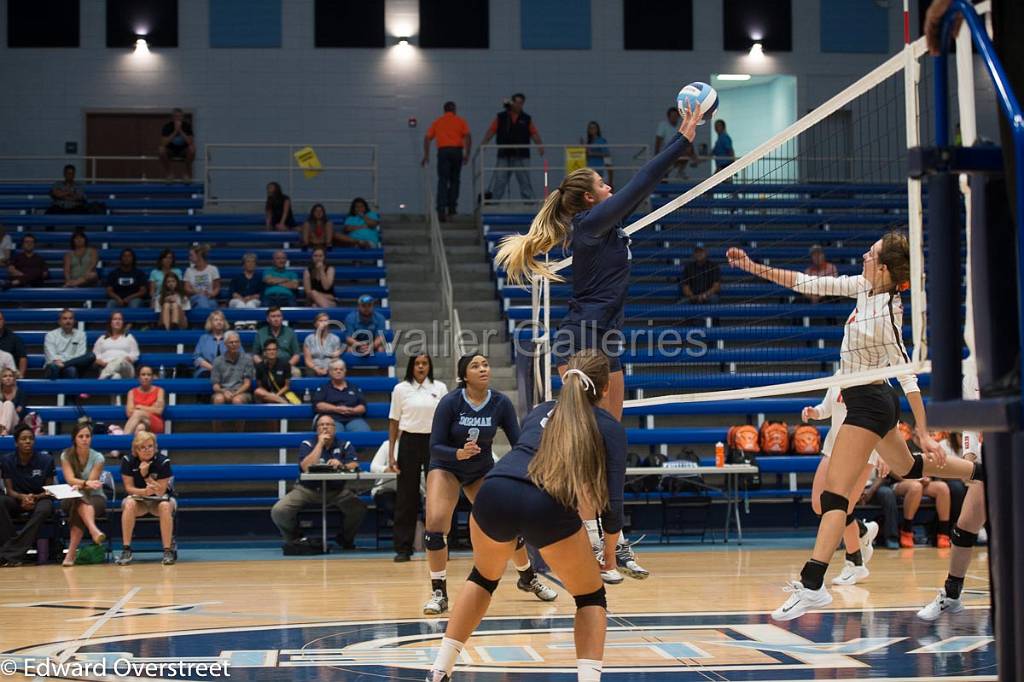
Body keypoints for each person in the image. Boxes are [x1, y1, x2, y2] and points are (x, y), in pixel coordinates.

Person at [726, 235, 984, 621]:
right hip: (866, 402)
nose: (864, 254)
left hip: (868, 404)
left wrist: (925, 431)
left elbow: (907, 375)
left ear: (883, 267)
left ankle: (813, 585)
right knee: (910, 468)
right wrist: (752, 267)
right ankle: (983, 474)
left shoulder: (887, 310)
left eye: (872, 253)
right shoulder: (863, 288)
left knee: (834, 497)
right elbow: (805, 283)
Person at [424, 351, 622, 682]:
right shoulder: (608, 426)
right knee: (590, 596)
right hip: (544, 501)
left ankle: (439, 670)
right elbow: (613, 502)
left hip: (494, 490)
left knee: (483, 578)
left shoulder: (541, 410)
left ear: (566, 380)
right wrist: (611, 555)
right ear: (604, 389)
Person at [495, 102, 699, 421]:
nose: (610, 187)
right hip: (581, 336)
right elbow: (642, 180)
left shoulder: (608, 225)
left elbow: (646, 184)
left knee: (611, 432)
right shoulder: (590, 224)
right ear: (590, 198)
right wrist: (682, 139)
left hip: (607, 335)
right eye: (603, 184)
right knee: (584, 432)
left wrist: (681, 137)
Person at [422, 353, 556, 616]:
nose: (483, 369)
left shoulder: (500, 402)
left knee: (507, 522)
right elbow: (434, 446)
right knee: (436, 525)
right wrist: (457, 453)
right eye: (475, 366)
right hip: (446, 466)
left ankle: (527, 578)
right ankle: (439, 593)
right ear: (464, 375)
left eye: (485, 364)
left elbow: (519, 440)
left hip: (480, 470)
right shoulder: (450, 402)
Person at [918, 372, 988, 618]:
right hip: (993, 452)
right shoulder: (972, 374)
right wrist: (970, 456)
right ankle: (952, 595)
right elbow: (971, 421)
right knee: (964, 529)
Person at [801, 383, 881, 586]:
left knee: (842, 507)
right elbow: (826, 408)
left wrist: (884, 454)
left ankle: (855, 564)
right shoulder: (840, 375)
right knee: (820, 504)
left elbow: (888, 418)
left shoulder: (875, 376)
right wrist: (814, 412)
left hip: (863, 451)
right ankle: (861, 531)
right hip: (834, 447)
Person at [270, 414, 367, 550]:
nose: (325, 427)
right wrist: (320, 444)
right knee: (279, 511)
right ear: (316, 429)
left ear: (335, 428)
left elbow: (354, 465)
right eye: (321, 425)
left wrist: (341, 465)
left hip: (336, 491)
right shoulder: (308, 444)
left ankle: (345, 538)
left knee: (359, 508)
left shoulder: (345, 444)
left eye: (329, 425)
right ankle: (295, 539)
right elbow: (305, 467)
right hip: (307, 490)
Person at [388, 354, 447, 562]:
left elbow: (447, 419)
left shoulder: (439, 388)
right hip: (409, 442)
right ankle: (403, 548)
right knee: (406, 496)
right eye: (417, 364)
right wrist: (391, 456)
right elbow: (394, 422)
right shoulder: (400, 389)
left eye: (425, 363)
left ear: (429, 366)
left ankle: (440, 544)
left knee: (438, 495)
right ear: (411, 367)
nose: (421, 367)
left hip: (435, 441)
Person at [115, 430, 175, 565]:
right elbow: (129, 488)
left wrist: (145, 475)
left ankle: (167, 550)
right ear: (136, 449)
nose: (147, 450)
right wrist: (144, 492)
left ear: (155, 447)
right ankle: (126, 549)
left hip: (159, 501)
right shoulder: (128, 460)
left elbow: (160, 491)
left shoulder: (163, 461)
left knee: (165, 506)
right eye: (143, 447)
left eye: (150, 446)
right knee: (129, 504)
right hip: (139, 500)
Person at [0, 426, 55, 567]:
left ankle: (9, 553)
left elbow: (49, 490)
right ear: (16, 442)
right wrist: (22, 497)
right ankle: (14, 551)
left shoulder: (46, 460)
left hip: (40, 498)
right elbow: (9, 490)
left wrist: (34, 497)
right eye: (23, 439)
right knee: (1, 501)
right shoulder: (6, 460)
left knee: (45, 509)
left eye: (31, 438)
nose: (28, 441)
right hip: (17, 499)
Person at [59, 422, 108, 567]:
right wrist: (84, 483)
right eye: (81, 436)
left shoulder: (98, 458)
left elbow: (92, 483)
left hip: (95, 497)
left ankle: (70, 554)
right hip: (70, 496)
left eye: (87, 436)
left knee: (80, 503)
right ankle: (94, 530)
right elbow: (70, 479)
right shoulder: (66, 455)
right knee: (78, 499)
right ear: (74, 438)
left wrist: (83, 484)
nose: (85, 439)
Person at [480, 93, 544, 201]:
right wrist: (484, 143)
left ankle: (528, 204)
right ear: (512, 102)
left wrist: (540, 146)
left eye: (521, 103)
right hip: (504, 154)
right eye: (517, 102)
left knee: (524, 181)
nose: (519, 105)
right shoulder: (501, 117)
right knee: (500, 180)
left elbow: (534, 133)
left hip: (522, 155)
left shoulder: (526, 118)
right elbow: (491, 131)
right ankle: (494, 204)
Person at [422, 101, 472, 221]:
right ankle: (452, 207)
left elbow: (427, 138)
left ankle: (441, 209)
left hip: (443, 152)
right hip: (456, 151)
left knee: (443, 180)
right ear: (454, 110)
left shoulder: (438, 122)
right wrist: (467, 154)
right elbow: (468, 137)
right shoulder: (460, 121)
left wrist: (426, 155)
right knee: (455, 180)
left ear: (444, 110)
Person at [889, 469, 952, 548]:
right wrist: (912, 480)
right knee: (915, 487)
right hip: (900, 482)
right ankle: (906, 531)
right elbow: (890, 469)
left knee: (943, 487)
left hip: (920, 481)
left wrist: (926, 478)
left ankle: (943, 534)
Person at [313, 359, 370, 432]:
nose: (338, 371)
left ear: (345, 371)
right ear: (330, 372)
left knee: (364, 432)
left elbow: (362, 407)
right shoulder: (323, 388)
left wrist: (352, 410)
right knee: (333, 434)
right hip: (332, 418)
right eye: (335, 369)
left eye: (341, 369)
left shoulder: (354, 387)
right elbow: (319, 405)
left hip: (353, 417)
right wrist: (336, 409)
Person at [860, 460, 901, 549]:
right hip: (855, 486)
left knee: (888, 494)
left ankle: (892, 537)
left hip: (874, 487)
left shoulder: (879, 451)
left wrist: (871, 490)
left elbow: (883, 474)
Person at [43, 309, 94, 379]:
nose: (68, 321)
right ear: (59, 322)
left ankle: (65, 365)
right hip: (54, 367)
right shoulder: (50, 335)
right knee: (55, 367)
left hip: (73, 365)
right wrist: (69, 360)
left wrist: (64, 363)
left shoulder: (81, 335)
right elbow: (52, 357)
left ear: (74, 321)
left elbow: (80, 355)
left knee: (91, 356)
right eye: (65, 319)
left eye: (70, 318)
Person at [252, 306, 301, 375]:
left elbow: (296, 355)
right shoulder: (260, 333)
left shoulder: (290, 332)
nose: (276, 319)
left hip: (285, 365)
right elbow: (255, 355)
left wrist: (287, 366)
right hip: (266, 366)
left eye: (278, 316)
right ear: (268, 319)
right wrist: (262, 366)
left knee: (296, 372)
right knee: (254, 372)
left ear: (282, 318)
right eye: (273, 316)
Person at [92, 310, 139, 379]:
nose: (117, 321)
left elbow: (135, 354)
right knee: (116, 376)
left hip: (126, 368)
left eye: (120, 319)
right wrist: (102, 363)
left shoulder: (129, 337)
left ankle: (101, 379)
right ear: (110, 323)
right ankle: (107, 375)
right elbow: (95, 356)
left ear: (123, 323)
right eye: (115, 319)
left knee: (119, 360)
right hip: (105, 366)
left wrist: (129, 358)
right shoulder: (102, 339)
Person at [655, 107, 699, 179]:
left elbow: (689, 140)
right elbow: (658, 140)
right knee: (663, 174)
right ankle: (672, 170)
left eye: (675, 116)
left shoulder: (681, 127)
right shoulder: (663, 125)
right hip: (667, 151)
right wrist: (656, 154)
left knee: (688, 148)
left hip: (677, 151)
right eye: (672, 116)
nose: (674, 118)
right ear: (668, 117)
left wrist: (693, 154)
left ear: (678, 117)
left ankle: (680, 170)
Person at [211, 331, 254, 405]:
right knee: (218, 399)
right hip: (223, 391)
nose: (234, 344)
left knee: (237, 400)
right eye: (231, 342)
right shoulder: (217, 361)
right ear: (225, 344)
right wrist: (224, 391)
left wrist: (235, 393)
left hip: (242, 392)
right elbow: (215, 385)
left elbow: (247, 384)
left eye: (236, 342)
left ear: (240, 343)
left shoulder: (247, 359)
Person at [123, 366, 166, 434]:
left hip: (155, 422)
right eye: (143, 374)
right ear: (138, 377)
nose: (146, 377)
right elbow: (129, 413)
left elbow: (159, 411)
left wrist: (139, 407)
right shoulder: (131, 392)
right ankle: (129, 444)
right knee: (140, 428)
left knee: (138, 413)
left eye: (149, 375)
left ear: (152, 378)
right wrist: (151, 408)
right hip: (137, 423)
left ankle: (122, 440)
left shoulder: (159, 390)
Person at [303, 311, 343, 377]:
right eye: (320, 321)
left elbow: (336, 358)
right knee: (310, 369)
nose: (323, 323)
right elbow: (308, 360)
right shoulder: (309, 339)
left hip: (329, 367)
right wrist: (316, 369)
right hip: (313, 368)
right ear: (315, 324)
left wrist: (327, 369)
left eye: (325, 321)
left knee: (336, 367)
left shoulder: (335, 338)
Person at [159, 108, 195, 180]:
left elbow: (190, 142)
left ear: (182, 117)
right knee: (161, 149)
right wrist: (175, 131)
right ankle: (169, 173)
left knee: (192, 148)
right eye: (176, 116)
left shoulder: (187, 126)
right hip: (171, 150)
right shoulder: (167, 126)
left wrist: (180, 131)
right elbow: (163, 143)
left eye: (180, 116)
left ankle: (186, 173)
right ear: (172, 118)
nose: (178, 118)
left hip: (183, 150)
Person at [253, 339, 294, 404]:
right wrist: (271, 396)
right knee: (257, 391)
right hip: (266, 395)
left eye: (274, 349)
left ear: (277, 351)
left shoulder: (285, 364)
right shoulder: (260, 366)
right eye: (269, 350)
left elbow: (287, 386)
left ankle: (279, 400)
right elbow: (260, 386)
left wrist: (275, 396)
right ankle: (283, 402)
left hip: (281, 394)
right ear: (265, 352)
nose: (272, 352)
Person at [192, 310, 228, 378]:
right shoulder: (204, 338)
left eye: (221, 320)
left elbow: (240, 355)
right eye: (216, 320)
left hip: (227, 370)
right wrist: (212, 369)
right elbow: (197, 358)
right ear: (210, 323)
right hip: (207, 370)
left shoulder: (230, 337)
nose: (219, 322)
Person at [183, 244, 221, 310]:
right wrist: (197, 292)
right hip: (195, 298)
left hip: (209, 298)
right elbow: (186, 289)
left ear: (199, 255)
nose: (189, 257)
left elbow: (217, 287)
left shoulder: (213, 269)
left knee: (211, 304)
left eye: (191, 255)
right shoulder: (189, 271)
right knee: (202, 299)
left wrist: (211, 294)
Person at [0, 312, 28, 378]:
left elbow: (23, 358)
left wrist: (21, 375)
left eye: (0, 319)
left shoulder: (14, 338)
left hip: (8, 374)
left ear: (4, 321)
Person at [0, 368, 26, 436]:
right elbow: (18, 409)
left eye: (10, 376)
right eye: (5, 376)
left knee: (8, 404)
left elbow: (21, 413)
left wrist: (10, 409)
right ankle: (2, 430)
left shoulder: (20, 393)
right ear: (1, 379)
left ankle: (3, 429)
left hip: (14, 425)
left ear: (14, 379)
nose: (8, 378)